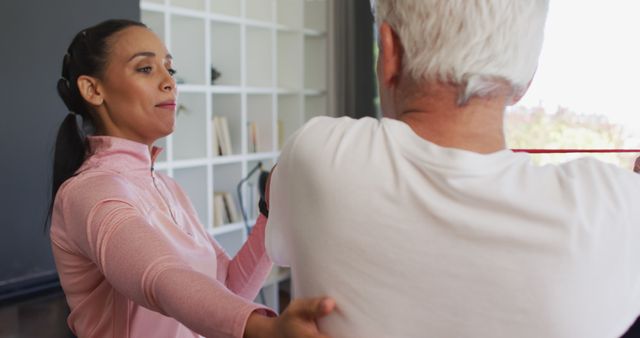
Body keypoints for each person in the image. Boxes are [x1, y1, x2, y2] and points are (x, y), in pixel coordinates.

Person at [264, 1, 640, 337]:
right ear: (526, 78)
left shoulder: (317, 155)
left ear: (389, 52)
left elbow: (274, 215)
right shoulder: (615, 210)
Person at [48, 19, 335, 338]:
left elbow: (228, 289)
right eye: (145, 69)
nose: (169, 82)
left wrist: (270, 212)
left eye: (169, 69)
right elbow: (160, 277)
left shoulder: (168, 188)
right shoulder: (90, 191)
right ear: (93, 89)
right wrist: (266, 329)